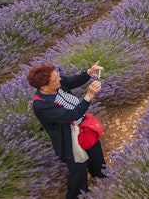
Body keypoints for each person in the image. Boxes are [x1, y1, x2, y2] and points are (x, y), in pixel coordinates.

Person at [27, 62, 106, 199]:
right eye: (56, 79)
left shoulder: (57, 83)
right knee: (78, 168)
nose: (60, 79)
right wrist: (88, 96)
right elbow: (70, 116)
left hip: (83, 126)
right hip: (68, 137)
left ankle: (100, 175)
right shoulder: (41, 105)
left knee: (95, 151)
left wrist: (88, 73)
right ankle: (78, 195)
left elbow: (72, 81)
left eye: (57, 76)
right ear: (44, 87)